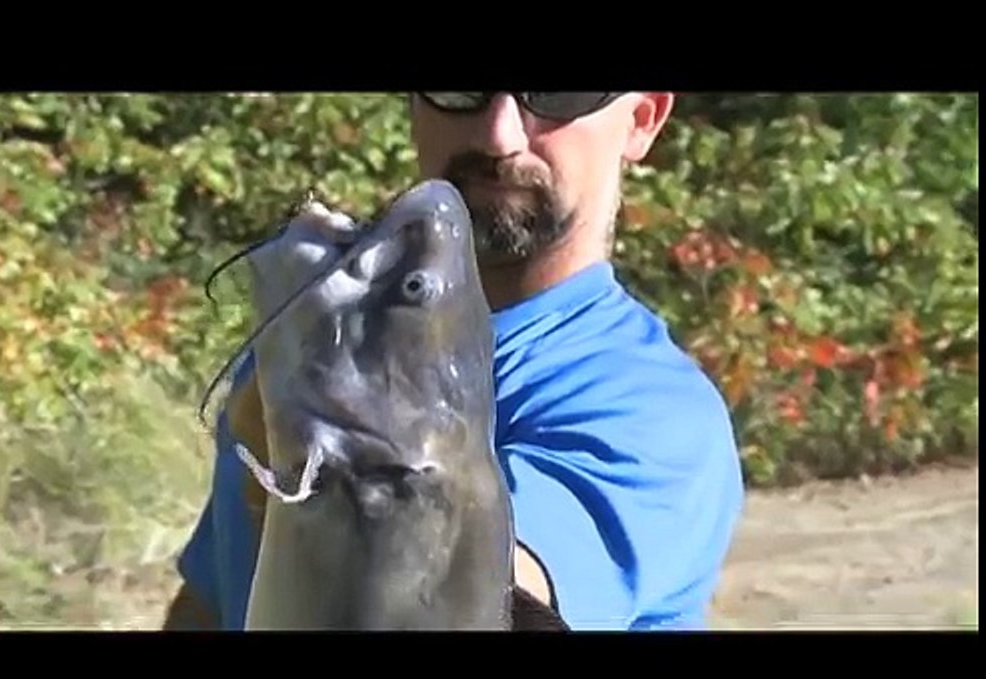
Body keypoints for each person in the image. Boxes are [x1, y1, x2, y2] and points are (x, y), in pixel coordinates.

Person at [164, 92, 745, 631]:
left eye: (560, 94)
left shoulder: (653, 411)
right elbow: (215, 601)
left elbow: (473, 599)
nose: (499, 135)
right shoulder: (330, 345)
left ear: (642, 119)